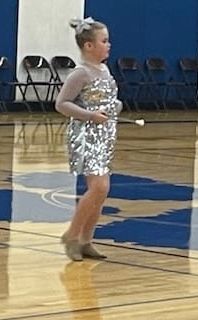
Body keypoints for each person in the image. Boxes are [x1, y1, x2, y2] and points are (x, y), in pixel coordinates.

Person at [55, 17, 123, 261]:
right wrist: (90, 115)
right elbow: (61, 104)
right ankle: (71, 235)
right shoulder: (80, 73)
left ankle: (86, 240)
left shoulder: (105, 70)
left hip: (105, 134)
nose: (109, 45)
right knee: (99, 187)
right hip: (86, 135)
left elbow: (105, 100)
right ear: (89, 46)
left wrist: (115, 106)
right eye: (104, 41)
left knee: (101, 191)